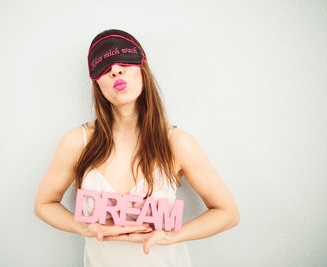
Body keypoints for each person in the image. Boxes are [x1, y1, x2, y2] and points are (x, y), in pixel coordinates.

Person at [34, 29, 240, 267]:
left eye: (124, 61)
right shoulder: (77, 142)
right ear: (96, 80)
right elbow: (44, 204)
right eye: (104, 65)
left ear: (143, 68)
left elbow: (228, 213)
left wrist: (171, 236)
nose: (115, 70)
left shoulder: (177, 143)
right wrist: (85, 228)